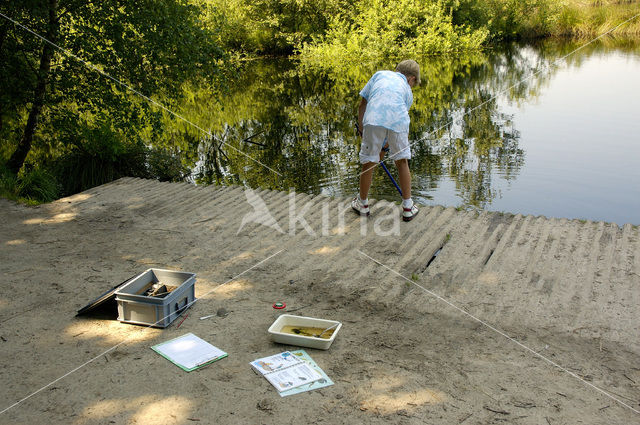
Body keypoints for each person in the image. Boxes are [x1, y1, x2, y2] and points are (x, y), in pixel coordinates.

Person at [352, 59, 420, 222]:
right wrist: (384, 145)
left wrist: (362, 130)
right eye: (413, 83)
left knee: (368, 163)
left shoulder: (379, 75)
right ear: (411, 79)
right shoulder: (407, 91)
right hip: (398, 122)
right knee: (402, 162)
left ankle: (363, 204)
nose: (411, 86)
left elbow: (363, 104)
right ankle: (408, 207)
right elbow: (396, 120)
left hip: (373, 119)